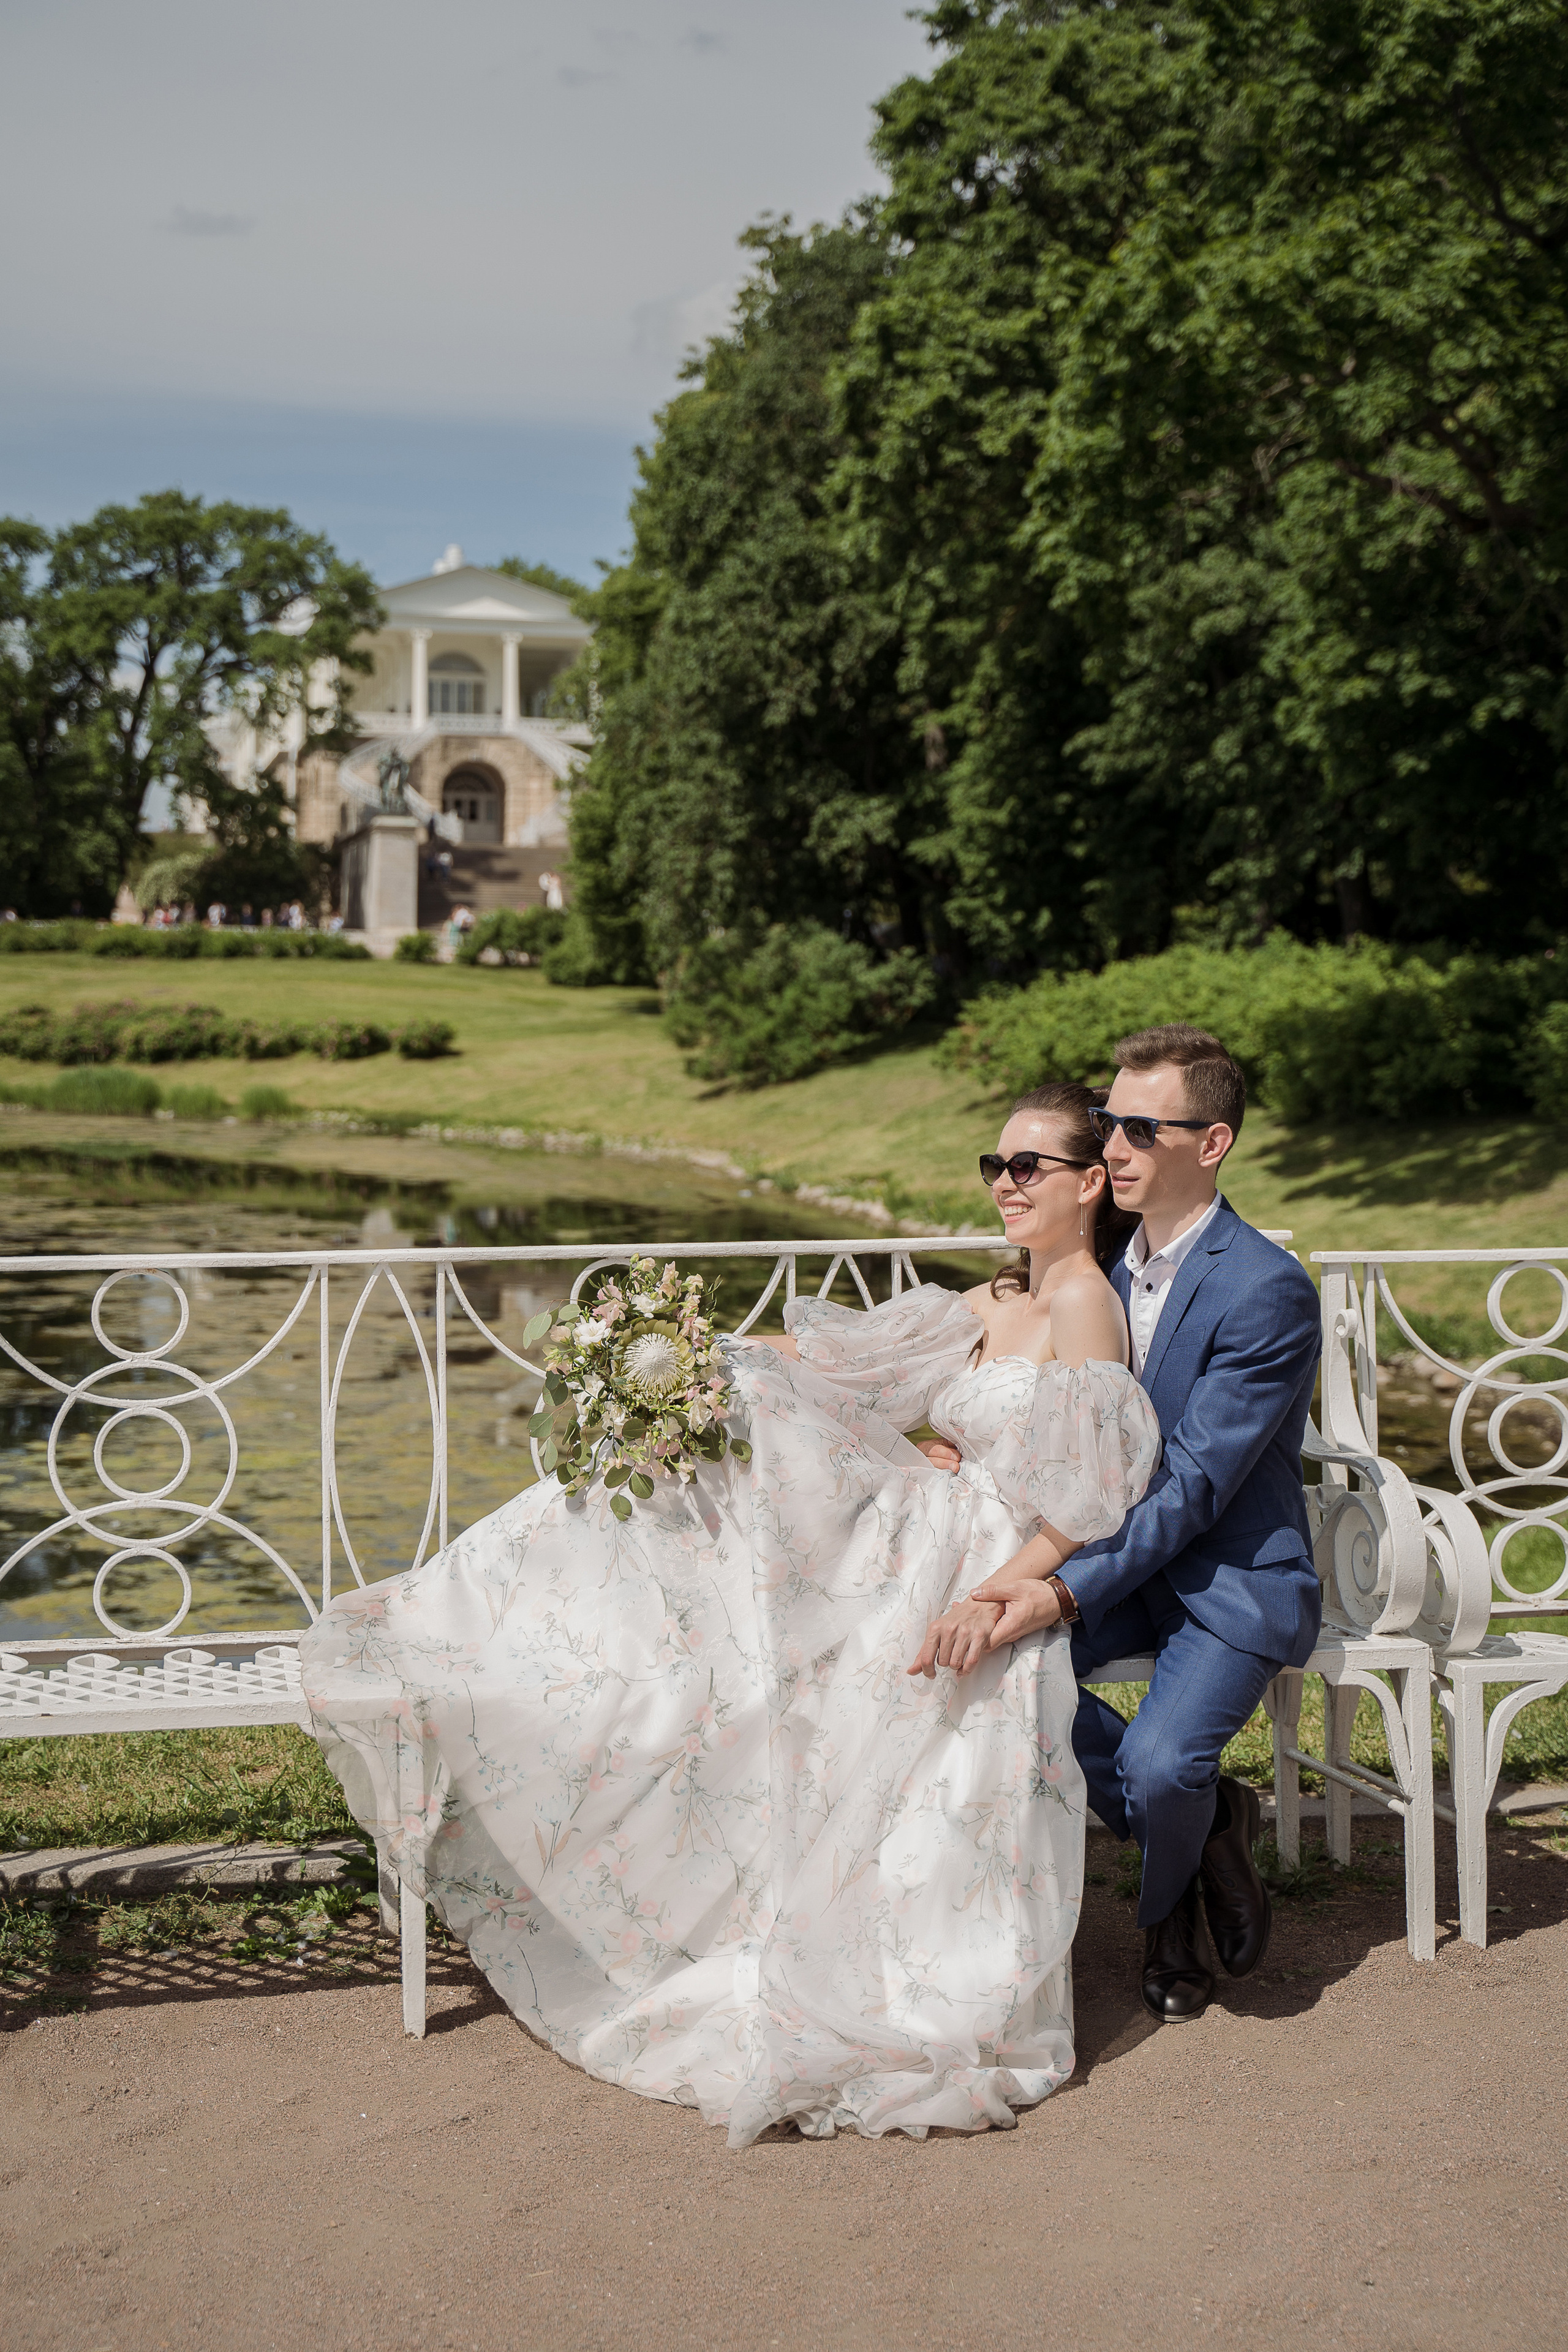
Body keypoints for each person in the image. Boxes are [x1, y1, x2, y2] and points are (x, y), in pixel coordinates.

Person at [299, 1082, 1158, 2146]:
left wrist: (994, 1598)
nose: (1005, 1185)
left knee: (776, 1500)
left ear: (1090, 1181)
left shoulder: (1084, 1304)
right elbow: (843, 1364)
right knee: (741, 1407)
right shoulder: (992, 1301)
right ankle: (522, 1626)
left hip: (983, 1553)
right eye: (995, 1166)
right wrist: (684, 1354)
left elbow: (1089, 1494)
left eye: (1028, 1166)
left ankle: (556, 1638)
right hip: (928, 1517)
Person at [970, 1027, 1321, 2025]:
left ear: (1210, 1144)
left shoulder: (1265, 1289)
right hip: (1122, 1564)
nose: (1112, 1145)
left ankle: (1166, 1921)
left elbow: (1195, 1487)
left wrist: (1060, 1589)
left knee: (1160, 1765)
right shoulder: (1099, 1269)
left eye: (1138, 1128)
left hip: (1227, 1576)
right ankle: (1211, 1831)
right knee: (995, 1675)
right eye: (1108, 1123)